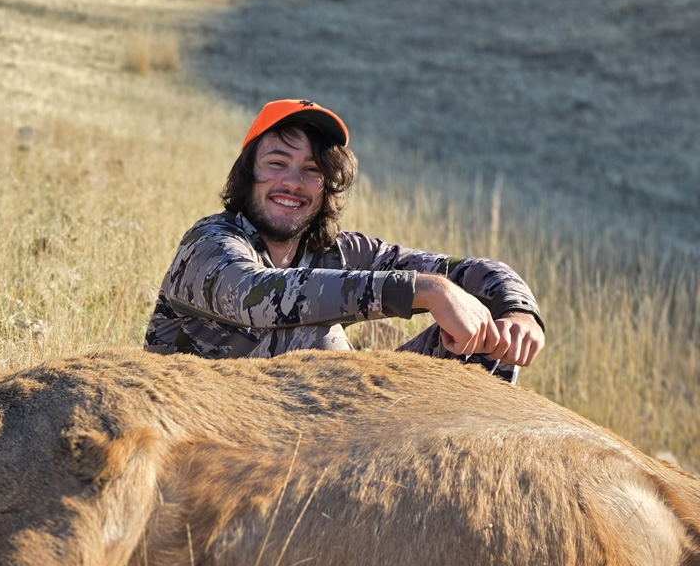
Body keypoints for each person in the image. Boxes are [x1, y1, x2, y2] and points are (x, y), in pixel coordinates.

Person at [144, 99, 545, 382]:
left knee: (482, 339)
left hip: (312, 429)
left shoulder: (341, 251)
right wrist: (427, 291)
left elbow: (470, 270)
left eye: (312, 171)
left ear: (327, 187)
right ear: (248, 173)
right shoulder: (209, 243)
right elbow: (259, 296)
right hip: (201, 433)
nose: (292, 183)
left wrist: (518, 312)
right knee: (309, 330)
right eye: (276, 164)